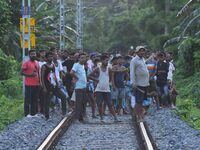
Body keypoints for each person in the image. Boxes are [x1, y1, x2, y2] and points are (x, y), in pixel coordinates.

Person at [88, 55, 120, 123]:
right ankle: (101, 119)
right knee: (100, 104)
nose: (107, 62)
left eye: (108, 60)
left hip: (106, 89)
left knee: (110, 104)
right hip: (99, 89)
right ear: (102, 61)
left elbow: (112, 75)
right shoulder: (98, 68)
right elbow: (89, 76)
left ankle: (115, 118)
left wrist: (109, 82)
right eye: (106, 60)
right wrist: (96, 80)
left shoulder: (108, 68)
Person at [130, 46, 149, 122]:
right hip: (138, 84)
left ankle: (136, 114)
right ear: (137, 52)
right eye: (140, 51)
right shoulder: (134, 60)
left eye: (143, 51)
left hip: (145, 83)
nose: (142, 52)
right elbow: (132, 72)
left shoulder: (142, 59)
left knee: (141, 101)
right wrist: (133, 82)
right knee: (139, 101)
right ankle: (139, 117)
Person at [21, 50, 40, 117]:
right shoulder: (26, 63)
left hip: (36, 84)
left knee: (34, 99)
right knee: (27, 100)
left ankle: (33, 113)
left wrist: (40, 82)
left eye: (34, 54)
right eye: (32, 54)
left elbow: (38, 73)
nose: (33, 55)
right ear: (29, 55)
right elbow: (21, 72)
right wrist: (30, 75)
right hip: (29, 84)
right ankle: (26, 114)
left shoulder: (37, 63)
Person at [70, 53, 87, 122]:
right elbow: (71, 72)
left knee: (83, 103)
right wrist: (76, 78)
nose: (83, 59)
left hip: (83, 87)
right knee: (78, 103)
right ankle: (77, 118)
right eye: (82, 58)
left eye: (84, 58)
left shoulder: (82, 66)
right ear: (79, 58)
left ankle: (81, 118)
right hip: (79, 87)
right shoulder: (76, 65)